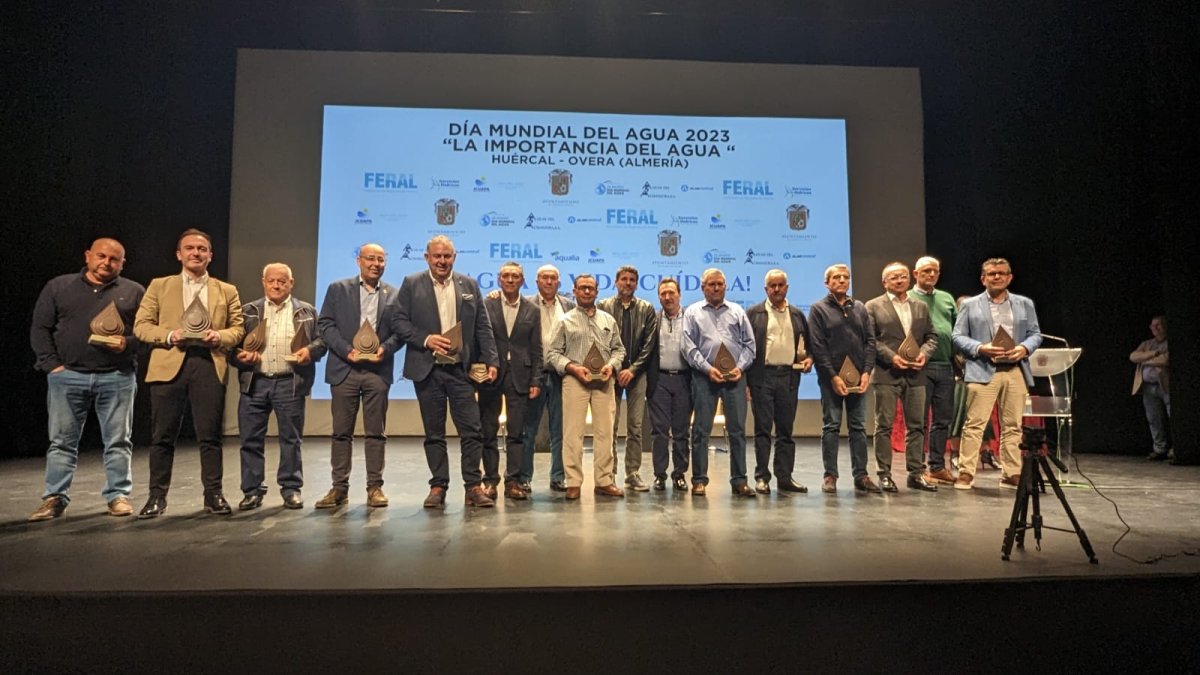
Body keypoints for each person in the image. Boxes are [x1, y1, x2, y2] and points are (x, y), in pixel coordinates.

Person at [28, 238, 145, 521]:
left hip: (117, 377)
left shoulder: (133, 291)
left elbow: (146, 334)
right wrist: (52, 366)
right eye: (101, 256)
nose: (107, 262)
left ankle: (118, 495)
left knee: (118, 441)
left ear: (122, 263)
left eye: (114, 259)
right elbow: (40, 328)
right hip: (68, 376)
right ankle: (55, 497)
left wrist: (127, 344)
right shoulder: (59, 286)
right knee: (62, 442)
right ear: (88, 256)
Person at [133, 229, 245, 517]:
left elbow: (238, 328)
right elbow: (141, 326)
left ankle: (213, 495)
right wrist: (170, 335)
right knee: (162, 436)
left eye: (202, 249)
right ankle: (156, 497)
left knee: (210, 435)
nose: (196, 253)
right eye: (190, 248)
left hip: (208, 363)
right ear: (179, 254)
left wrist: (219, 336)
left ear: (211, 255)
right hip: (169, 364)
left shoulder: (226, 290)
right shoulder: (160, 286)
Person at [395, 235, 499, 508]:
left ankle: (473, 486)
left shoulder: (469, 285)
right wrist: (425, 339)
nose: (442, 261)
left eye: (447, 256)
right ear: (427, 257)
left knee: (472, 430)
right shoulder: (411, 283)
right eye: (437, 256)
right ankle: (438, 486)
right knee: (434, 433)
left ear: (454, 257)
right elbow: (398, 321)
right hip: (427, 370)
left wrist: (491, 360)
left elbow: (482, 326)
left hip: (461, 371)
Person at [231, 263, 326, 510]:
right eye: (271, 281)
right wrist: (240, 356)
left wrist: (310, 351)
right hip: (255, 382)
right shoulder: (248, 311)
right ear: (263, 282)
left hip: (289, 382)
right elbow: (232, 346)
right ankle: (252, 490)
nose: (276, 285)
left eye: (282, 281)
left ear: (291, 283)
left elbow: (322, 341)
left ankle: (291, 488)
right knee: (250, 439)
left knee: (291, 439)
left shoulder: (306, 311)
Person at [315, 242, 403, 509]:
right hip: (345, 369)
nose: (376, 264)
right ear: (359, 261)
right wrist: (347, 351)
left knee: (376, 433)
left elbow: (401, 332)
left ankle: (375, 488)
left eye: (381, 260)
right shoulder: (338, 289)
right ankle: (339, 488)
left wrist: (386, 349)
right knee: (341, 433)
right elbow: (325, 324)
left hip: (377, 371)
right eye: (370, 259)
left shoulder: (395, 294)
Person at [952, 258, 1043, 490]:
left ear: (1009, 277)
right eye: (991, 274)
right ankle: (966, 472)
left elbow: (1035, 334)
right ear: (983, 278)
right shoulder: (970, 305)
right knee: (975, 424)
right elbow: (958, 336)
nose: (996, 277)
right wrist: (980, 347)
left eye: (1001, 273)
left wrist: (1024, 348)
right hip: (983, 369)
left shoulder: (1024, 304)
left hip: (1015, 370)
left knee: (1013, 425)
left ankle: (1011, 473)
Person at [545, 274, 626, 500]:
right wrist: (572, 367)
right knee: (573, 433)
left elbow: (619, 350)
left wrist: (611, 365)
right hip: (575, 381)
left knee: (605, 433)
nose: (587, 292)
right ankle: (573, 482)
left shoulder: (608, 320)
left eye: (591, 288)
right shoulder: (564, 320)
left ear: (597, 291)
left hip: (604, 381)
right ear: (575, 291)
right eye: (582, 288)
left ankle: (604, 481)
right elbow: (553, 353)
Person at [865, 262, 939, 492]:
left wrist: (924, 354)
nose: (899, 280)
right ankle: (884, 474)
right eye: (894, 277)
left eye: (903, 276)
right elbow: (870, 340)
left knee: (917, 426)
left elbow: (932, 337)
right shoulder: (873, 306)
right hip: (887, 374)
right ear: (884, 282)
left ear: (909, 279)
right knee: (884, 426)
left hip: (916, 374)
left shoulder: (920, 306)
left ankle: (916, 473)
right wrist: (891, 357)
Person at [682, 268, 757, 497]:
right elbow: (688, 346)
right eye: (711, 284)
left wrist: (739, 368)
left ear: (725, 286)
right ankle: (699, 480)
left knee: (737, 430)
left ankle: (739, 480)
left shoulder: (737, 311)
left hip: (735, 378)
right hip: (704, 378)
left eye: (719, 284)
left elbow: (750, 345)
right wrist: (708, 369)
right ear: (703, 287)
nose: (716, 288)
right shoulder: (692, 312)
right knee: (701, 430)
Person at [807, 263, 878, 494]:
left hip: (858, 378)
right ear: (827, 283)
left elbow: (870, 342)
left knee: (858, 427)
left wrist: (866, 372)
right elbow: (817, 346)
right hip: (831, 380)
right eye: (836, 277)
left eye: (845, 277)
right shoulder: (818, 309)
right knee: (831, 426)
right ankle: (830, 475)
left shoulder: (860, 308)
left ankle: (861, 475)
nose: (841, 280)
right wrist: (832, 376)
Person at [745, 269, 813, 494]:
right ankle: (762, 477)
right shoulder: (754, 313)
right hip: (762, 378)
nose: (776, 289)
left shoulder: (797, 314)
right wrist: (747, 382)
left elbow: (808, 346)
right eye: (772, 286)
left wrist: (809, 359)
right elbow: (745, 348)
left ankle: (784, 477)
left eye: (780, 285)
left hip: (789, 378)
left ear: (787, 287)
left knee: (786, 431)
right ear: (765, 289)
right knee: (763, 430)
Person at [478, 261, 542, 500]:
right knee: (488, 431)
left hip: (521, 377)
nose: (510, 280)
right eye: (506, 276)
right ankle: (490, 481)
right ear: (499, 279)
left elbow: (537, 348)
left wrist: (536, 380)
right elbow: (478, 338)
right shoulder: (487, 305)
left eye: (515, 276)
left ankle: (512, 481)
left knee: (517, 433)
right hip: (491, 376)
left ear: (522, 281)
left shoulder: (532, 309)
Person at [597, 265, 658, 492]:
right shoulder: (603, 306)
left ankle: (632, 473)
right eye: (624, 279)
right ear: (616, 282)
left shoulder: (646, 308)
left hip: (637, 375)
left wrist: (632, 370)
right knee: (609, 426)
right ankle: (609, 474)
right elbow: (598, 341)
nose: (628, 283)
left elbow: (649, 345)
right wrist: (614, 368)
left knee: (635, 426)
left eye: (632, 279)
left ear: (636, 283)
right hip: (609, 374)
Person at [519, 264, 574, 492]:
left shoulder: (569, 306)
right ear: (536, 282)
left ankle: (558, 476)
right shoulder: (525, 304)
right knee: (529, 430)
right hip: (535, 375)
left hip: (561, 375)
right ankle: (524, 478)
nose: (549, 282)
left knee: (559, 429)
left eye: (553, 278)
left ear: (559, 282)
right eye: (544, 278)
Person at [911, 256, 959, 484]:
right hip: (919, 367)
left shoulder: (946, 298)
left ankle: (937, 467)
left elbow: (957, 330)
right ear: (915, 274)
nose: (931, 275)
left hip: (945, 366)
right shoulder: (908, 298)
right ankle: (917, 468)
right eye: (926, 271)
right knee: (919, 421)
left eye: (935, 271)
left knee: (942, 419)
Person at [646, 277, 692, 492]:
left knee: (682, 431)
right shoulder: (653, 320)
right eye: (663, 293)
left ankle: (679, 474)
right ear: (659, 297)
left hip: (684, 380)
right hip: (659, 381)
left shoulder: (691, 319)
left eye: (671, 292)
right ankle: (659, 475)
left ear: (679, 295)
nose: (667, 297)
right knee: (659, 431)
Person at [1130, 315, 1171, 461]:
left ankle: (1177, 449)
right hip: (1148, 388)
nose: (1155, 328)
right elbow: (1133, 357)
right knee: (1154, 419)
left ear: (1165, 326)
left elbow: (1165, 360)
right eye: (1153, 326)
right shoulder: (1147, 344)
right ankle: (1159, 448)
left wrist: (1144, 360)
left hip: (1165, 386)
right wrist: (1153, 353)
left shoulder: (1169, 343)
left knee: (1172, 417)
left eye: (1158, 325)